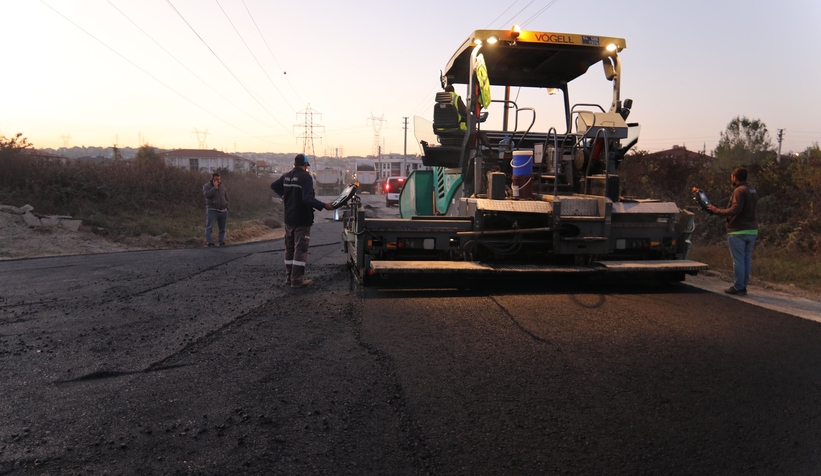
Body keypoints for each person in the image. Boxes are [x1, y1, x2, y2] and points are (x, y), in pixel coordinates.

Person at [270, 154, 334, 288]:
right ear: (305, 165)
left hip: (289, 218)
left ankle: (289, 277)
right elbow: (307, 198)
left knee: (289, 248)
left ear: (295, 164)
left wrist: (283, 195)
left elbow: (274, 185)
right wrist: (324, 205)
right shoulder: (306, 178)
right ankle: (297, 280)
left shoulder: (287, 176)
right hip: (302, 218)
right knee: (300, 248)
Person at [707, 167, 759, 296]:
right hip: (752, 229)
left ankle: (738, 287)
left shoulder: (739, 190)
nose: (731, 179)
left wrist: (717, 210)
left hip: (738, 231)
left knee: (738, 260)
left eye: (731, 177)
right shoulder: (752, 190)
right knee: (746, 259)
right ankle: (743, 286)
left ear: (735, 178)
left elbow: (736, 209)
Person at [203, 172, 229, 247]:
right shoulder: (207, 186)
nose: (219, 181)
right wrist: (214, 188)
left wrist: (227, 206)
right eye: (217, 179)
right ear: (212, 179)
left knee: (222, 228)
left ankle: (221, 242)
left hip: (223, 210)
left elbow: (226, 197)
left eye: (219, 179)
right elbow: (207, 195)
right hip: (212, 210)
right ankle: (210, 242)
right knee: (209, 227)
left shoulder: (222, 186)